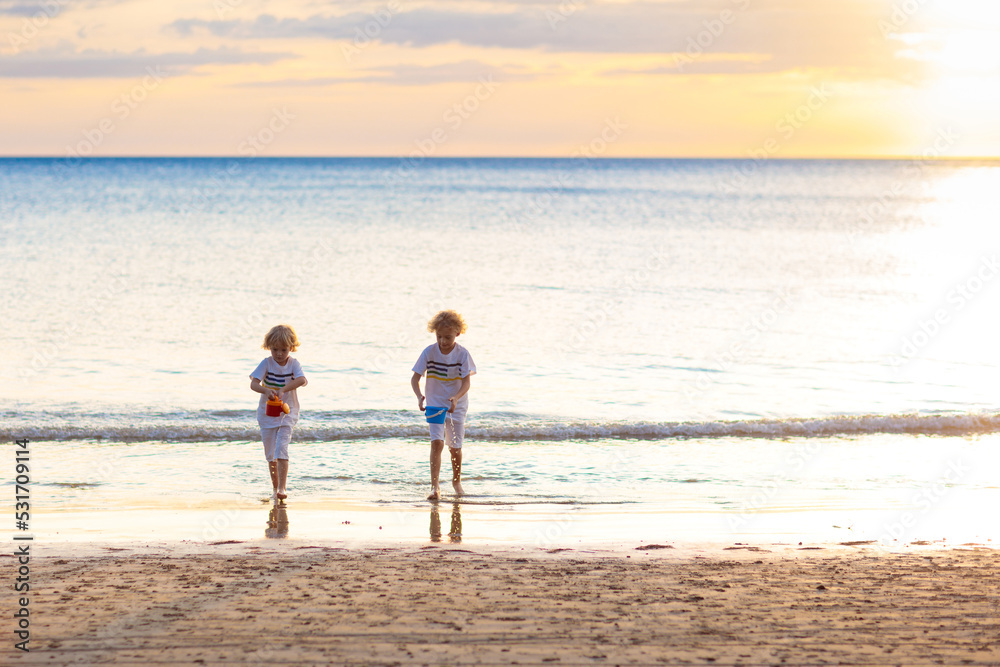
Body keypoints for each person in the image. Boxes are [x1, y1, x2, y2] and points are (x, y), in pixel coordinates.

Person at [411, 310, 476, 500]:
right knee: (437, 443)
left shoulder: (463, 354)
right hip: (434, 403)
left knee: (455, 448)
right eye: (439, 337)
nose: (443, 341)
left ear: (457, 333)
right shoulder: (428, 352)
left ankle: (456, 482)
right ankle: (435, 487)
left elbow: (466, 383)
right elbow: (414, 379)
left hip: (457, 404)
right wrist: (419, 397)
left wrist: (456, 397)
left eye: (447, 337)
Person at [250, 324, 307, 501]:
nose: (279, 354)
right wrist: (266, 391)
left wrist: (283, 389)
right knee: (270, 454)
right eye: (275, 349)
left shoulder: (293, 364)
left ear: (291, 347)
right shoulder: (266, 363)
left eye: (284, 349)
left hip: (288, 413)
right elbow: (253, 384)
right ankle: (275, 488)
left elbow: (302, 380)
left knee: (281, 447)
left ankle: (282, 488)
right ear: (269, 347)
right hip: (267, 413)